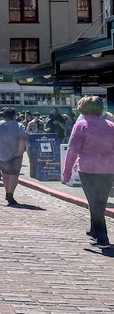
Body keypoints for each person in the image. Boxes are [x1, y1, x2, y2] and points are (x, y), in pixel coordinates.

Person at [63, 96, 114, 249]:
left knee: (94, 203)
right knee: (100, 201)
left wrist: (66, 173)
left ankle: (102, 238)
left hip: (88, 168)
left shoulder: (80, 125)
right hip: (108, 169)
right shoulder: (111, 125)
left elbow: (72, 150)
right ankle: (94, 231)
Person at [0, 107, 27, 205]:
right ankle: (10, 194)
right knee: (14, 175)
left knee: (5, 174)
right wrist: (20, 151)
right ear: (14, 116)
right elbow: (23, 139)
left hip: (0, 154)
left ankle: (7, 192)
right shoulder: (19, 125)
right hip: (15, 154)